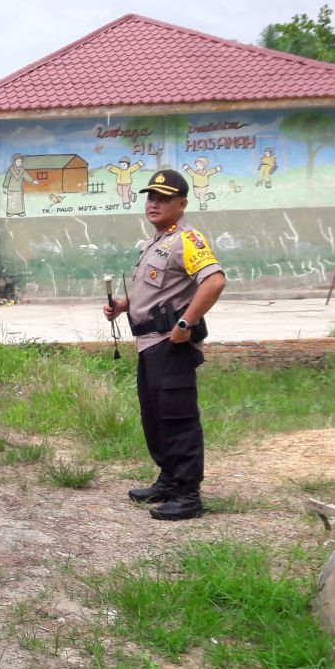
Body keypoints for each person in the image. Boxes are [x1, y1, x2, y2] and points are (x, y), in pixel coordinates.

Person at [102, 169, 226, 521]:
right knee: (154, 417)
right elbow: (158, 291)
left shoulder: (188, 239)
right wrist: (123, 306)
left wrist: (185, 324)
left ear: (182, 204)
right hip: (149, 344)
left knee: (178, 418)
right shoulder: (158, 241)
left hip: (170, 344)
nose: (154, 203)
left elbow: (214, 282)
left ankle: (188, 494)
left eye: (164, 198)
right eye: (151, 197)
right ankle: (169, 480)